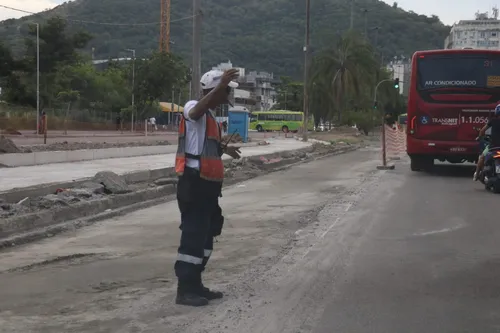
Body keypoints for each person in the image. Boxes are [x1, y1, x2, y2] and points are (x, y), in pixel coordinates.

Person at [174, 68, 242, 306]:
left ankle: (196, 283)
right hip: (195, 181)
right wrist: (220, 84)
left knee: (207, 233)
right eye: (225, 90)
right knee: (193, 235)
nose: (228, 96)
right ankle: (185, 289)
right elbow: (195, 112)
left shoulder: (211, 116)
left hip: (209, 185)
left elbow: (202, 145)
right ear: (214, 90)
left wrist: (224, 149)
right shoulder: (193, 106)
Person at [474, 104, 500, 181]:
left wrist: (479, 137)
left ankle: (477, 174)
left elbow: (482, 131)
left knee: (482, 157)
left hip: (493, 147)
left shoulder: (493, 121)